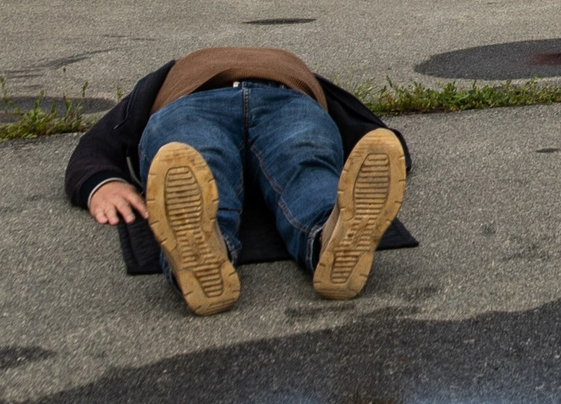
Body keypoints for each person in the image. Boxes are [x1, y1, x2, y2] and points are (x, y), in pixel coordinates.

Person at [65, 47, 410, 316]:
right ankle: (210, 251)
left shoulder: (177, 70)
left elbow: (379, 144)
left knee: (298, 160)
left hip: (279, 101)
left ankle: (330, 238)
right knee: (290, 162)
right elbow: (100, 141)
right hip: (204, 102)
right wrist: (101, 181)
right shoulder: (168, 75)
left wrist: (379, 158)